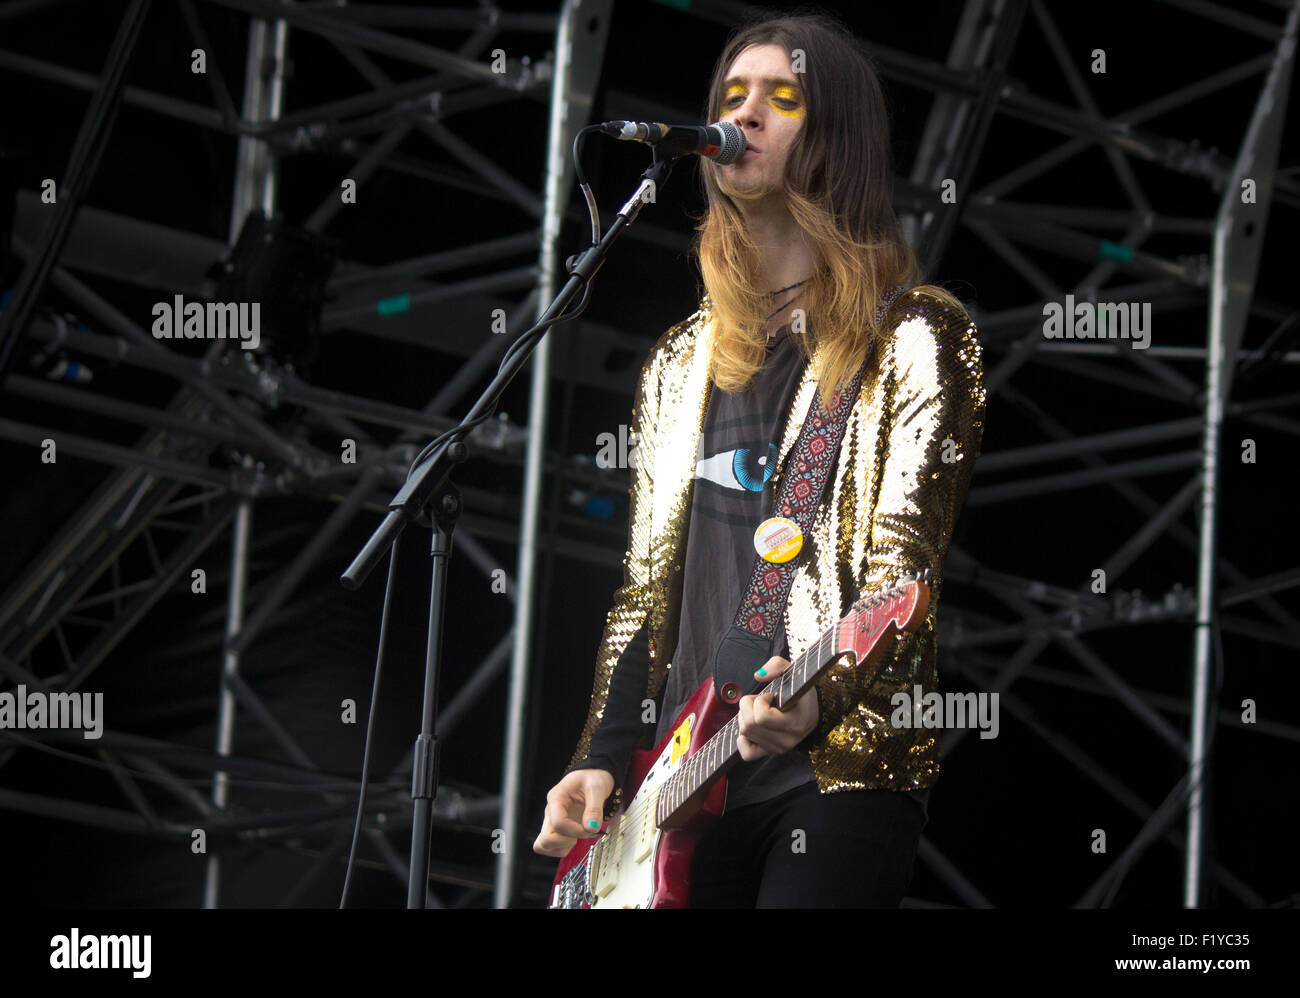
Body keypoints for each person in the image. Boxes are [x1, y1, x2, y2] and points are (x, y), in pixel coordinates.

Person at [533, 12, 986, 908]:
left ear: (838, 138)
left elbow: (902, 567)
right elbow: (643, 589)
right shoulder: (678, 363)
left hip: (833, 773)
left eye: (782, 99)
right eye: (731, 98)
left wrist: (828, 690)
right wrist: (597, 756)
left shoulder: (916, 337)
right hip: (678, 779)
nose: (745, 116)